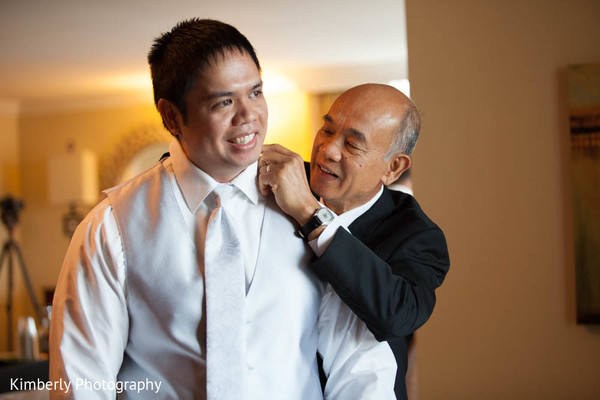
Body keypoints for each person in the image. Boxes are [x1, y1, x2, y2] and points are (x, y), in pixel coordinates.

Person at [49, 20, 397, 399]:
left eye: (256, 92)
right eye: (224, 102)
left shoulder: (311, 212)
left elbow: (359, 365)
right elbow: (81, 382)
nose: (248, 116)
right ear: (171, 116)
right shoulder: (110, 227)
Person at [258, 83, 450, 400]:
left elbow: (398, 314)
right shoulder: (281, 181)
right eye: (327, 129)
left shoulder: (416, 235)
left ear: (393, 168)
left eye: (352, 144)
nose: (328, 149)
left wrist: (311, 215)